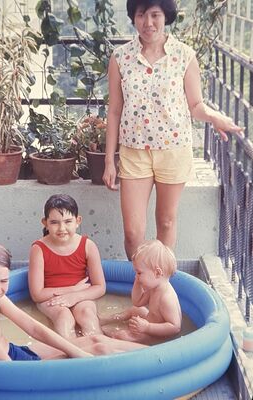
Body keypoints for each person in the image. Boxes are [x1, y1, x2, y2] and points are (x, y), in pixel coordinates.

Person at [102, 0, 244, 260]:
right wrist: (110, 160)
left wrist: (215, 117)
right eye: (141, 15)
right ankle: (141, 284)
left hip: (173, 150)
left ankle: (159, 288)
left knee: (166, 222)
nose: (148, 23)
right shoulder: (120, 57)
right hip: (134, 152)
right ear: (133, 17)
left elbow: (196, 104)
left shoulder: (184, 56)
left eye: (155, 15)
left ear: (166, 16)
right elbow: (114, 111)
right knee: (133, 232)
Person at [0, 243, 145, 361]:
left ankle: (156, 355)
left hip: (13, 351)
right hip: (13, 368)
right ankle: (149, 364)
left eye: (3, 281)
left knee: (96, 340)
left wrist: (72, 347)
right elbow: (10, 373)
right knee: (99, 349)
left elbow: (34, 328)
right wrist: (79, 357)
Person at [28, 194, 106, 339]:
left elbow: (100, 287)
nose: (61, 228)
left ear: (78, 221)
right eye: (54, 222)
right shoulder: (38, 249)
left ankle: (102, 350)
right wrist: (72, 289)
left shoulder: (88, 246)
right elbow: (37, 295)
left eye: (68, 221)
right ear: (45, 223)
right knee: (64, 317)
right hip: (49, 299)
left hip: (81, 295)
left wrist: (76, 296)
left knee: (87, 316)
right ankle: (71, 355)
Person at [100, 239, 181, 345]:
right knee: (135, 310)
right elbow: (137, 302)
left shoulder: (166, 298)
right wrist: (137, 282)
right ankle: (105, 319)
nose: (136, 276)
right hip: (150, 323)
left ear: (157, 273)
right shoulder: (155, 287)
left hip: (158, 337)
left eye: (139, 273)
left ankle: (103, 335)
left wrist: (147, 327)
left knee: (120, 336)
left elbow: (175, 327)